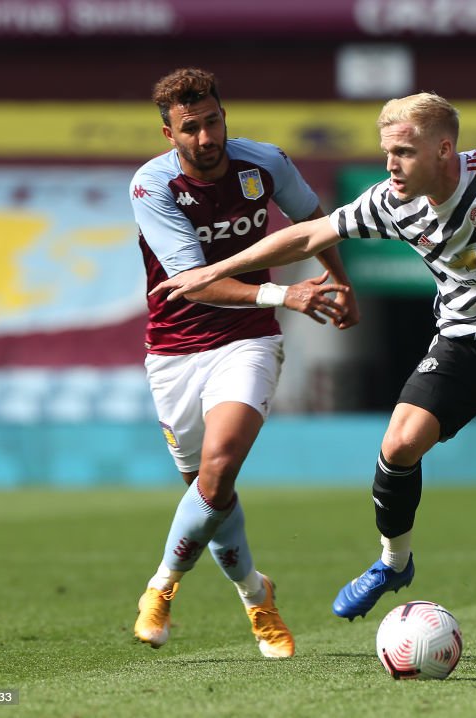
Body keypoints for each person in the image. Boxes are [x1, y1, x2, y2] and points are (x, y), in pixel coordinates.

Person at [152, 92, 476, 668]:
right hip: (465, 343)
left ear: (444, 149)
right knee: (398, 444)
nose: (390, 163)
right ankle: (394, 563)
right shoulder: (392, 201)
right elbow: (307, 237)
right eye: (386, 151)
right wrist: (216, 268)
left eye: (403, 151)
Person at [129, 67, 359, 659]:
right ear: (168, 135)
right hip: (175, 348)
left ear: (224, 116)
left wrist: (338, 282)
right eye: (190, 129)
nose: (206, 139)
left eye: (213, 122)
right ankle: (258, 594)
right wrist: (290, 294)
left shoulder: (265, 163)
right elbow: (194, 284)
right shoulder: (151, 188)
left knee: (221, 463)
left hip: (249, 339)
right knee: (212, 492)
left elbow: (314, 226)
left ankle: (161, 586)